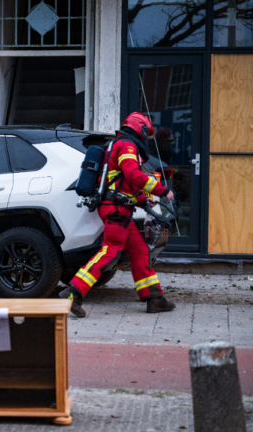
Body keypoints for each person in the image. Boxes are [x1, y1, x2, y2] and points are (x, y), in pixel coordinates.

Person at [59, 112, 177, 317]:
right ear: (140, 130)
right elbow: (132, 174)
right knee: (110, 251)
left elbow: (121, 181)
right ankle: (73, 293)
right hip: (116, 209)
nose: (145, 140)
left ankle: (154, 298)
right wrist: (161, 190)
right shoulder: (127, 146)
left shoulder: (117, 145)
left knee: (140, 250)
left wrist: (141, 199)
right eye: (145, 134)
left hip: (117, 206)